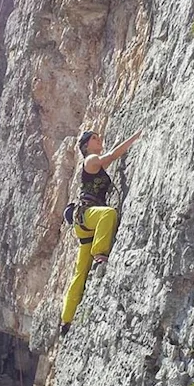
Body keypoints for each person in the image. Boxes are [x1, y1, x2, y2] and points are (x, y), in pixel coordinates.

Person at [59, 129, 140, 337]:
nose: (99, 139)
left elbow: (110, 159)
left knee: (79, 273)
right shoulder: (91, 159)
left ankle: (66, 321)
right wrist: (136, 136)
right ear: (86, 146)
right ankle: (100, 254)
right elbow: (112, 155)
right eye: (94, 138)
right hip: (88, 215)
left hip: (84, 221)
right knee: (109, 214)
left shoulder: (93, 164)